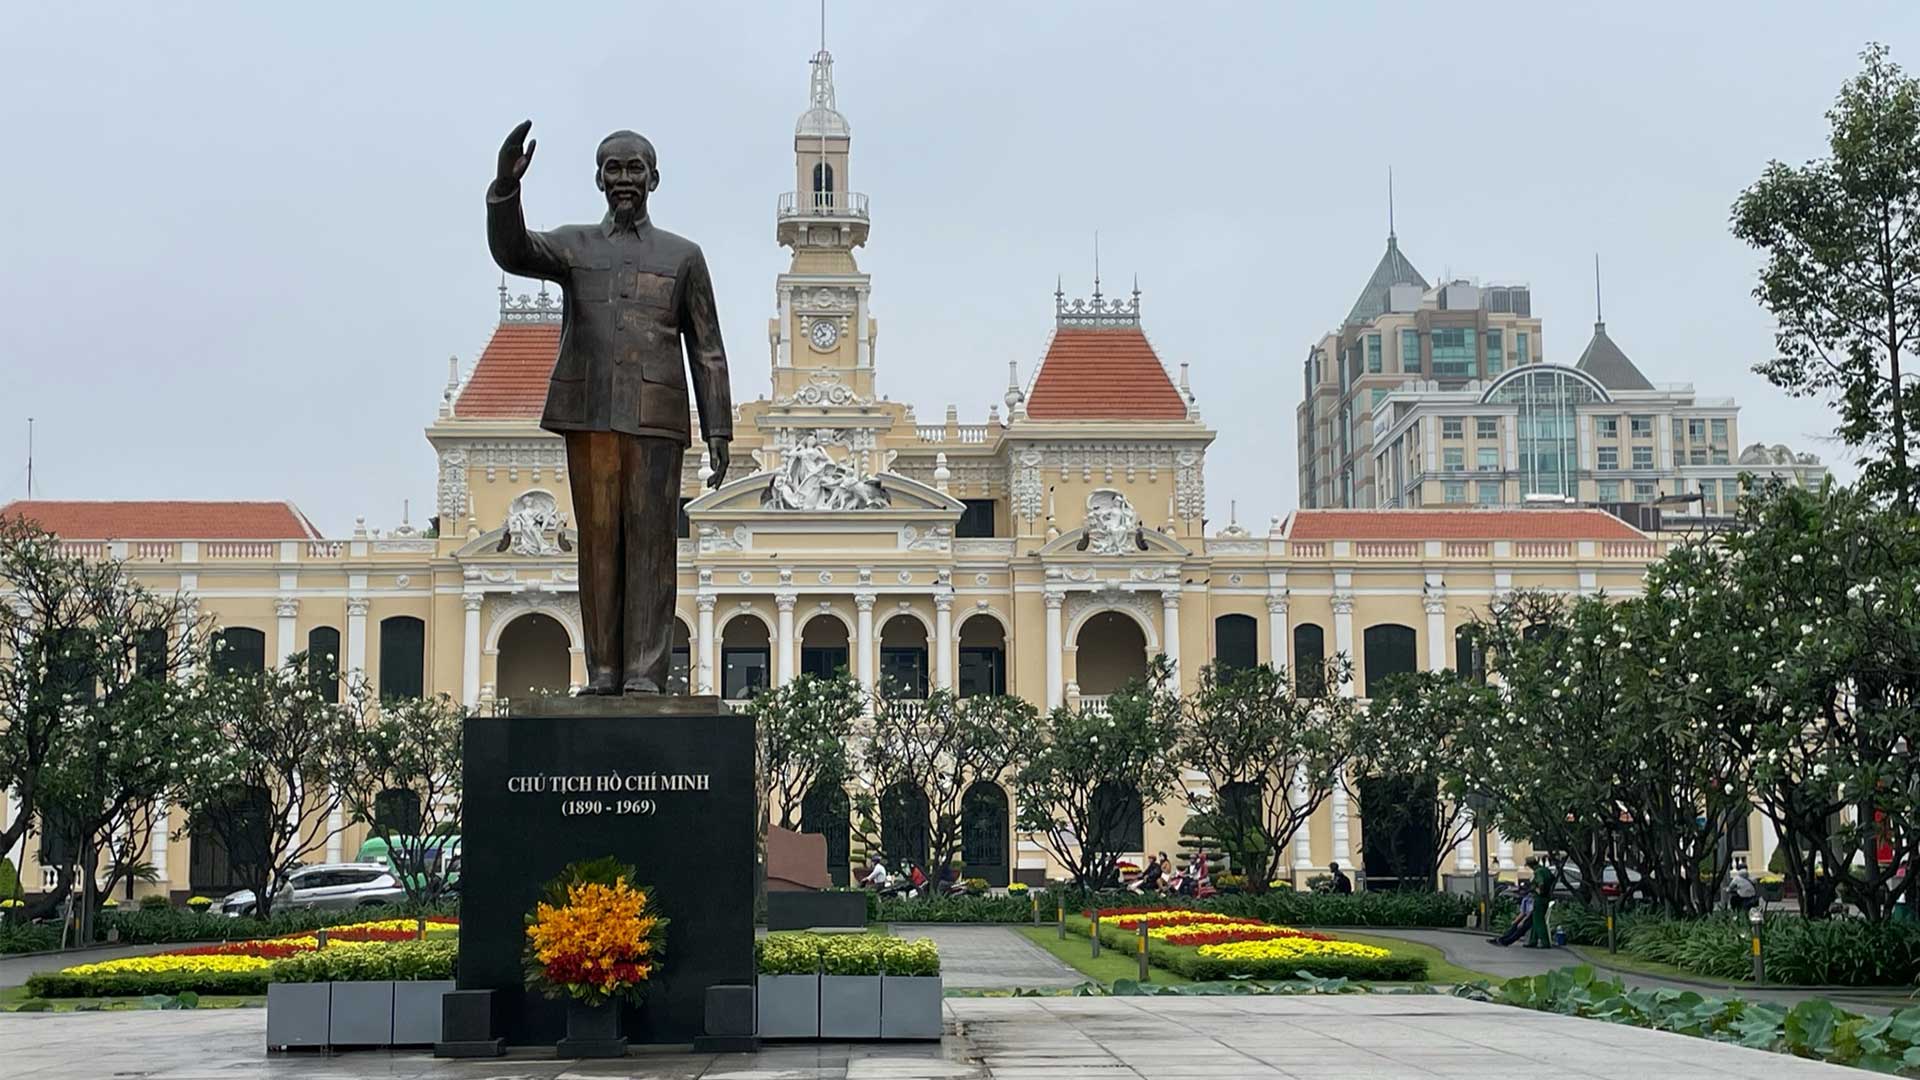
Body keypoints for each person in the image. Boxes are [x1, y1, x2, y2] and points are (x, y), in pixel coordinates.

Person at [1526, 857, 1556, 948]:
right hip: (1547, 897)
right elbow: (1553, 878)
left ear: (1530, 865)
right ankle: (1533, 941)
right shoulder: (1545, 870)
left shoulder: (1538, 872)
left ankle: (1545, 942)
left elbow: (1541, 883)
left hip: (1540, 898)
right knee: (1536, 920)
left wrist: (1536, 889)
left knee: (1539, 921)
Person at [1494, 879, 1534, 947]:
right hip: (1526, 916)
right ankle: (1501, 939)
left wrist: (1523, 921)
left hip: (1531, 917)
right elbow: (1523, 912)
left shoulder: (1531, 898)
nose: (1522, 892)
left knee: (1521, 928)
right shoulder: (1525, 899)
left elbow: (1530, 912)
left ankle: (1507, 942)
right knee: (1514, 925)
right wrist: (1515, 921)